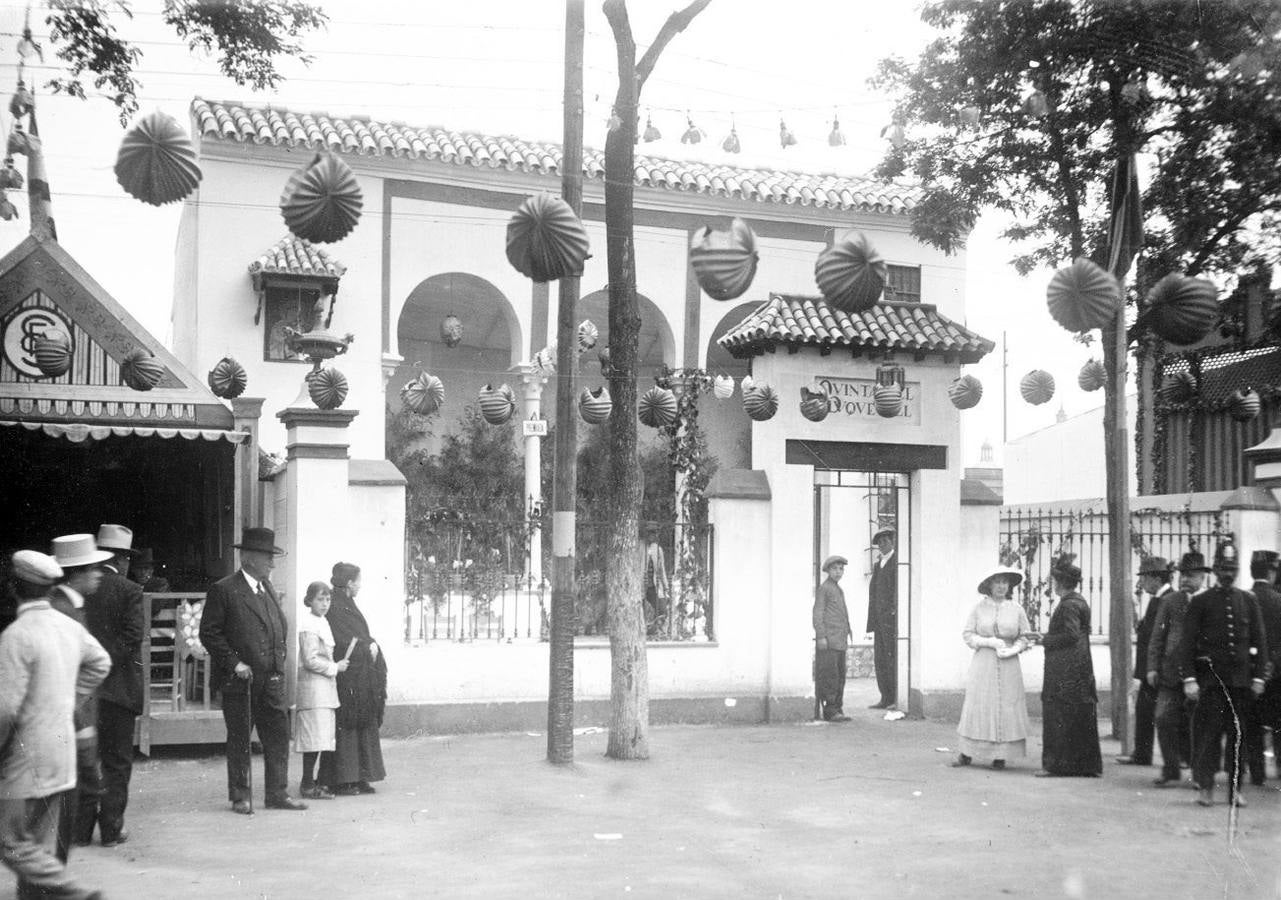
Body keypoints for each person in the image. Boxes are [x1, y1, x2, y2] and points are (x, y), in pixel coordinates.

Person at [0, 550, 110, 900]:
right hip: (61, 756)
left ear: (14, 588)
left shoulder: (16, 635)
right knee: (41, 846)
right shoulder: (69, 627)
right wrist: (69, 700)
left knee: (12, 841)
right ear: (50, 588)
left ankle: (75, 893)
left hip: (24, 760)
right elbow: (100, 662)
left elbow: (5, 711)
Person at [199, 527, 306, 814]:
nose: (272, 563)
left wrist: (278, 662)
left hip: (271, 679)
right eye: (267, 557)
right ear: (248, 557)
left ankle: (277, 793)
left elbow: (278, 627)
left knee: (278, 736)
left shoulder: (267, 587)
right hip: (240, 681)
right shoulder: (224, 589)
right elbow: (209, 634)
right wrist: (235, 663)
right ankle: (240, 796)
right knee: (240, 739)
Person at [1178, 541, 1267, 808]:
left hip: (1241, 684)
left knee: (1239, 740)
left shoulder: (1248, 601)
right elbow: (1187, 643)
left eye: (1232, 568)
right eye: (1223, 568)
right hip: (1211, 684)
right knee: (1208, 738)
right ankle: (1205, 788)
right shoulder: (1201, 602)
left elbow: (1260, 641)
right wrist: (1190, 678)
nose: (1228, 573)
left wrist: (1260, 676)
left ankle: (1235, 790)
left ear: (1237, 570)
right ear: (1215, 570)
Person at [74, 525, 144, 848]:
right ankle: (112, 829)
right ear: (122, 559)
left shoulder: (82, 587)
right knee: (117, 763)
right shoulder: (130, 590)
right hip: (118, 690)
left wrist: (89, 669)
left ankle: (81, 830)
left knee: (86, 760)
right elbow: (132, 639)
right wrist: (103, 664)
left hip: (83, 691)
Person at [47, 535, 112, 862]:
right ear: (77, 573)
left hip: (76, 714)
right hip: (74, 717)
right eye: (95, 569)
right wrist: (79, 718)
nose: (100, 574)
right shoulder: (64, 612)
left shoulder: (69, 606)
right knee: (76, 785)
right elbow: (71, 673)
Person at [954, 564, 1033, 770]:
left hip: (1009, 665)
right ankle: (967, 753)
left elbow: (1026, 636)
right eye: (997, 582)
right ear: (989, 585)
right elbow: (968, 635)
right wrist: (988, 642)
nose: (1001, 586)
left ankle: (1001, 756)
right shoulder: (979, 608)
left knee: (1007, 706)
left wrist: (1015, 648)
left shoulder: (1017, 609)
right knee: (979, 704)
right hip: (984, 663)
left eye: (1004, 582)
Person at [318, 563, 388, 794]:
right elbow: (343, 639)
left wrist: (371, 644)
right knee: (347, 724)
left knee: (362, 722)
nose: (360, 585)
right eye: (358, 581)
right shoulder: (336, 605)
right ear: (349, 583)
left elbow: (360, 635)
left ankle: (360, 776)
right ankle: (342, 779)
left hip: (360, 674)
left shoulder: (347, 603)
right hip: (348, 673)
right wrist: (368, 646)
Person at [1035, 556, 1101, 777]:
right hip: (1078, 668)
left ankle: (1056, 765)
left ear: (1060, 583)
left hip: (1065, 670)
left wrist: (1045, 640)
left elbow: (1071, 635)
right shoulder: (1079, 602)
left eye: (1055, 581)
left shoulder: (1069, 605)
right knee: (1078, 715)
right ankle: (1085, 765)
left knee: (1058, 715)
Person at [1146, 549, 1207, 787]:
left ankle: (1199, 773)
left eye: (1191, 575)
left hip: (1201, 675)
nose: (1184, 580)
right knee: (1162, 718)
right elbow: (1157, 637)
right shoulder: (1171, 601)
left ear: (1203, 577)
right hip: (1170, 673)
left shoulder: (1209, 601)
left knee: (1199, 724)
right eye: (1182, 574)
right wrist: (1152, 667)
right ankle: (1171, 767)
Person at [295, 581, 348, 800]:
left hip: (324, 690)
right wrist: (335, 667)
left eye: (327, 599)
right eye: (320, 599)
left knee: (320, 738)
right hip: (313, 689)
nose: (325, 603)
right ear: (309, 600)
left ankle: (313, 782)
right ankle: (307, 785)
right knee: (313, 739)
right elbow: (309, 660)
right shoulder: (309, 623)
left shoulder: (321, 621)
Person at [1117, 556, 1172, 766]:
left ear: (1156, 578)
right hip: (1150, 668)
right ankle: (1142, 754)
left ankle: (1152, 756)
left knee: (1159, 714)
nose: (1143, 583)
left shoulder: (1166, 599)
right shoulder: (1157, 598)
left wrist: (1153, 668)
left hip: (1157, 669)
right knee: (1145, 711)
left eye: (1145, 578)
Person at [1239, 550, 1279, 786]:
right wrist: (1273, 663)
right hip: (1277, 673)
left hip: (1249, 672)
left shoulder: (1242, 598)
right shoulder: (1279, 600)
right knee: (1279, 723)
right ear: (1272, 572)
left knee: (1251, 723)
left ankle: (1257, 772)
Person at [812, 555, 852, 723]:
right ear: (828, 570)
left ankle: (838, 708)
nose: (838, 572)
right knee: (830, 676)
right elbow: (817, 613)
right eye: (835, 568)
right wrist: (821, 636)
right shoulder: (825, 588)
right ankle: (830, 710)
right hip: (829, 641)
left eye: (841, 569)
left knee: (840, 676)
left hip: (839, 641)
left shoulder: (837, 588)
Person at [865, 526, 897, 710]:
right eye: (880, 542)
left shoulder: (897, 562)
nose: (883, 544)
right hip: (879, 620)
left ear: (892, 542)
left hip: (891, 621)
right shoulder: (878, 565)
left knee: (891, 657)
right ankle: (885, 697)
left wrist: (893, 611)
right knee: (881, 659)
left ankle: (894, 697)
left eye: (886, 540)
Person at [641, 525, 670, 637]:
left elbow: (661, 569)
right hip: (640, 586)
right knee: (640, 612)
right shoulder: (639, 547)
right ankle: (642, 633)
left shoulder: (658, 549)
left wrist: (666, 587)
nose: (651, 536)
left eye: (653, 533)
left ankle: (653, 632)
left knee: (662, 609)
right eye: (649, 533)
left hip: (654, 586)